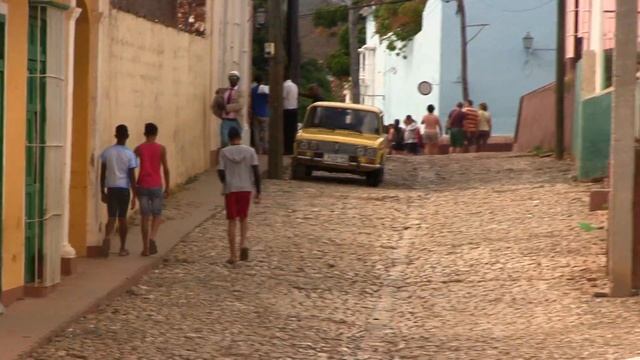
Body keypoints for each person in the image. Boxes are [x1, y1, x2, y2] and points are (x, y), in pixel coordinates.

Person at [217, 127, 261, 265]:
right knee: (243, 218)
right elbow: (256, 171)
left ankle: (233, 255)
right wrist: (258, 190)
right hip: (246, 188)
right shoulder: (250, 151)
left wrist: (226, 183)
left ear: (228, 138)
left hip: (231, 189)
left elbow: (220, 172)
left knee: (231, 221)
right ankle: (242, 244)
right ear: (240, 136)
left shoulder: (223, 152)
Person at [100, 125, 137, 257]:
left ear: (115, 136)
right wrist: (134, 195)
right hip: (124, 189)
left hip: (111, 188)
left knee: (111, 217)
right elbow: (132, 176)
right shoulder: (129, 154)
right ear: (127, 136)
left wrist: (102, 191)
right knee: (122, 219)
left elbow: (102, 174)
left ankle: (107, 238)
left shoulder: (107, 152)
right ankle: (122, 248)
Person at [134, 123, 170, 257]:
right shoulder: (161, 149)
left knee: (144, 217)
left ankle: (145, 248)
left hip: (142, 184)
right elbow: (166, 169)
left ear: (145, 133)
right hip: (156, 184)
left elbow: (131, 166)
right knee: (157, 214)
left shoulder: (138, 149)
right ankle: (153, 237)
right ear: (156, 133)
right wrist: (168, 187)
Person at [216, 71, 244, 148]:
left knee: (235, 143)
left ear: (238, 80)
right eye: (231, 78)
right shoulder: (225, 91)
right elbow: (217, 103)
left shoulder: (240, 92)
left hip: (236, 121)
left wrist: (226, 108)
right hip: (225, 120)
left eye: (234, 78)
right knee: (224, 141)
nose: (232, 80)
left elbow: (239, 105)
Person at [250, 74, 270, 155]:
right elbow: (269, 100)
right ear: (262, 81)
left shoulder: (253, 90)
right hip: (265, 113)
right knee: (265, 131)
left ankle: (258, 150)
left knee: (256, 131)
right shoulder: (265, 89)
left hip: (255, 113)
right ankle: (265, 149)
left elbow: (251, 100)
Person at [283, 77, 299, 155]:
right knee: (292, 131)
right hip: (294, 109)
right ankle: (292, 149)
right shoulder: (295, 85)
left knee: (286, 131)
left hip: (287, 109)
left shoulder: (285, 86)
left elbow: (282, 96)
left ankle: (287, 149)